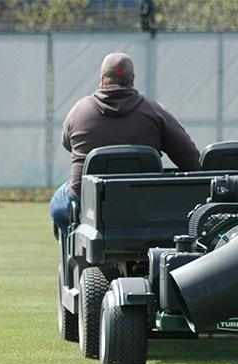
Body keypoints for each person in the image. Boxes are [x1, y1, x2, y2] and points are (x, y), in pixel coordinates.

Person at [50, 52, 200, 234]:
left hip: (87, 205)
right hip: (145, 206)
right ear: (132, 79)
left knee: (58, 206)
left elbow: (67, 144)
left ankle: (73, 257)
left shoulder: (79, 111)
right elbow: (190, 161)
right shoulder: (155, 112)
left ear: (102, 79)